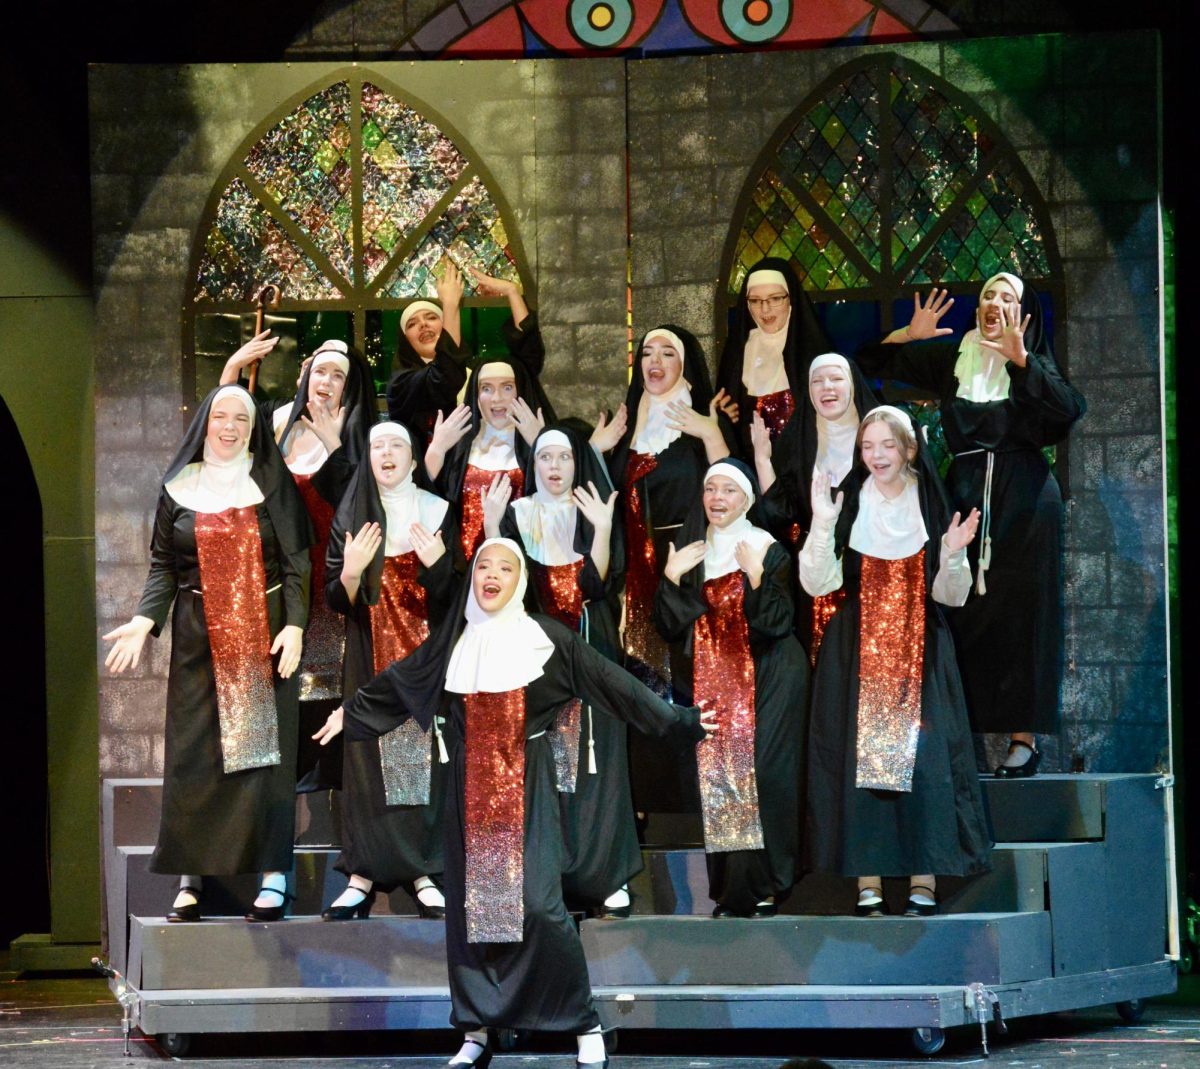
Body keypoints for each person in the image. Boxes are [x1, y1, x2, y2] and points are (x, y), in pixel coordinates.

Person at [314, 539, 715, 1068]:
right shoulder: (454, 640)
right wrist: (351, 713)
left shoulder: (547, 640)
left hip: (527, 787)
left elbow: (614, 685)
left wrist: (680, 720)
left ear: (519, 579)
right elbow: (400, 680)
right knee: (470, 913)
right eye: (483, 565)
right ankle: (477, 1031)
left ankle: (583, 1023)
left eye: (505, 567)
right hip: (465, 789)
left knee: (541, 909)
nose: (492, 575)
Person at [855, 276, 1086, 776]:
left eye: (1007, 298)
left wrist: (1021, 361)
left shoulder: (1033, 363)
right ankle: (962, 734)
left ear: (1021, 312)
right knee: (960, 612)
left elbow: (1068, 412)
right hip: (964, 496)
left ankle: (1023, 741)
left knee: (1025, 616)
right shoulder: (952, 359)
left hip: (1025, 500)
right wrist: (909, 336)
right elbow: (869, 364)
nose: (995, 303)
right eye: (988, 295)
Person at [103, 385, 312, 921]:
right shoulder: (179, 485)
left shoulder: (271, 481)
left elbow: (296, 564)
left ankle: (272, 876)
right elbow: (162, 566)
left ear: (252, 427)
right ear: (204, 424)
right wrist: (144, 620)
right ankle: (191, 877)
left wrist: (294, 627)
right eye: (220, 416)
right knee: (196, 756)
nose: (229, 426)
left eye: (240, 418)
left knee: (263, 758)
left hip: (261, 634)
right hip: (197, 636)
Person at [799, 406, 990, 916]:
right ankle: (869, 879)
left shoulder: (930, 504)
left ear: (909, 450)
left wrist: (952, 553)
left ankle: (924, 878)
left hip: (919, 644)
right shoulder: (848, 503)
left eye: (887, 445)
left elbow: (950, 597)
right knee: (859, 765)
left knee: (923, 761)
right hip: (856, 647)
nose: (877, 455)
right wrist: (821, 525)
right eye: (868, 447)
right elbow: (817, 584)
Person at [482, 424, 637, 918]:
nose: (554, 467)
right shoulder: (515, 515)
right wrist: (490, 529)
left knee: (600, 764)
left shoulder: (592, 510)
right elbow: (501, 586)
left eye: (563, 459)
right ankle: (546, 875)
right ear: (534, 465)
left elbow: (597, 584)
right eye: (545, 457)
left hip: (590, 649)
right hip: (534, 661)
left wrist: (605, 529)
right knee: (542, 769)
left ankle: (607, 876)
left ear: (576, 465)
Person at [221, 334, 376, 792]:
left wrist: (334, 446)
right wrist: (232, 369)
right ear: (306, 375)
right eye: (320, 372)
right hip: (281, 569)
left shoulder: (359, 432)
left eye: (338, 376)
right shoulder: (275, 421)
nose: (326, 382)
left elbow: (359, 502)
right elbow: (229, 437)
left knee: (326, 668)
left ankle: (321, 770)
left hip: (331, 568)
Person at [655, 459, 808, 917]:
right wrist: (671, 577)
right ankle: (730, 891)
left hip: (771, 674)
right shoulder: (693, 551)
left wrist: (757, 577)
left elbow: (778, 623)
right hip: (716, 674)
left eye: (728, 491)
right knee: (719, 775)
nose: (717, 499)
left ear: (746, 499)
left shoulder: (766, 547)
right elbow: (668, 626)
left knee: (764, 775)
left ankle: (768, 884)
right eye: (710, 489)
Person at [593, 324, 732, 818]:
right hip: (631, 580)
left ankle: (695, 800)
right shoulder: (624, 430)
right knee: (639, 681)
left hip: (687, 576)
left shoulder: (704, 422)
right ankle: (646, 800)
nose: (654, 361)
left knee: (690, 677)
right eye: (646, 352)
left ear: (684, 364)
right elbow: (595, 499)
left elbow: (731, 488)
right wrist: (596, 446)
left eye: (666, 352)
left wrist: (712, 432)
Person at [322, 421, 457, 921]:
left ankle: (423, 870)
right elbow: (337, 598)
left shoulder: (437, 510)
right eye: (377, 445)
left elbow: (456, 595)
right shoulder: (352, 514)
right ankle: (362, 874)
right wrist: (352, 570)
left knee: (422, 764)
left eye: (396, 444)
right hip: (366, 654)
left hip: (424, 658)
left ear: (414, 457)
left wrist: (438, 565)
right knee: (366, 762)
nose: (386, 453)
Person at [753, 352, 880, 659]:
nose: (827, 388)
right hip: (813, 580)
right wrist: (762, 458)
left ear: (852, 385)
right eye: (817, 381)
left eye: (836, 379)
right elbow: (780, 514)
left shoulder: (880, 440)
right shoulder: (798, 441)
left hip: (871, 576)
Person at [425, 352, 556, 563]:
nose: (496, 398)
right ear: (476, 395)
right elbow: (425, 499)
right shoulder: (458, 446)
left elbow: (560, 501)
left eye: (507, 387)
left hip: (524, 565)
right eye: (486, 388)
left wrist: (542, 445)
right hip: (465, 567)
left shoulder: (535, 442)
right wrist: (437, 450)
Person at [386, 262, 529, 440]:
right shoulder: (401, 384)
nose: (423, 325)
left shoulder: (474, 370)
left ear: (445, 325)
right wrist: (450, 305)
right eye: (412, 324)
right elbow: (445, 377)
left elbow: (526, 363)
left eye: (431, 317)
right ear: (405, 340)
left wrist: (512, 292)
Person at [714, 256, 829, 456]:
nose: (765, 309)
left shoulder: (814, 352)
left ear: (791, 298)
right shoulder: (737, 355)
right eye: (755, 301)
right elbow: (728, 422)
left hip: (805, 467)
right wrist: (722, 416)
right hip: (750, 471)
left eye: (775, 298)